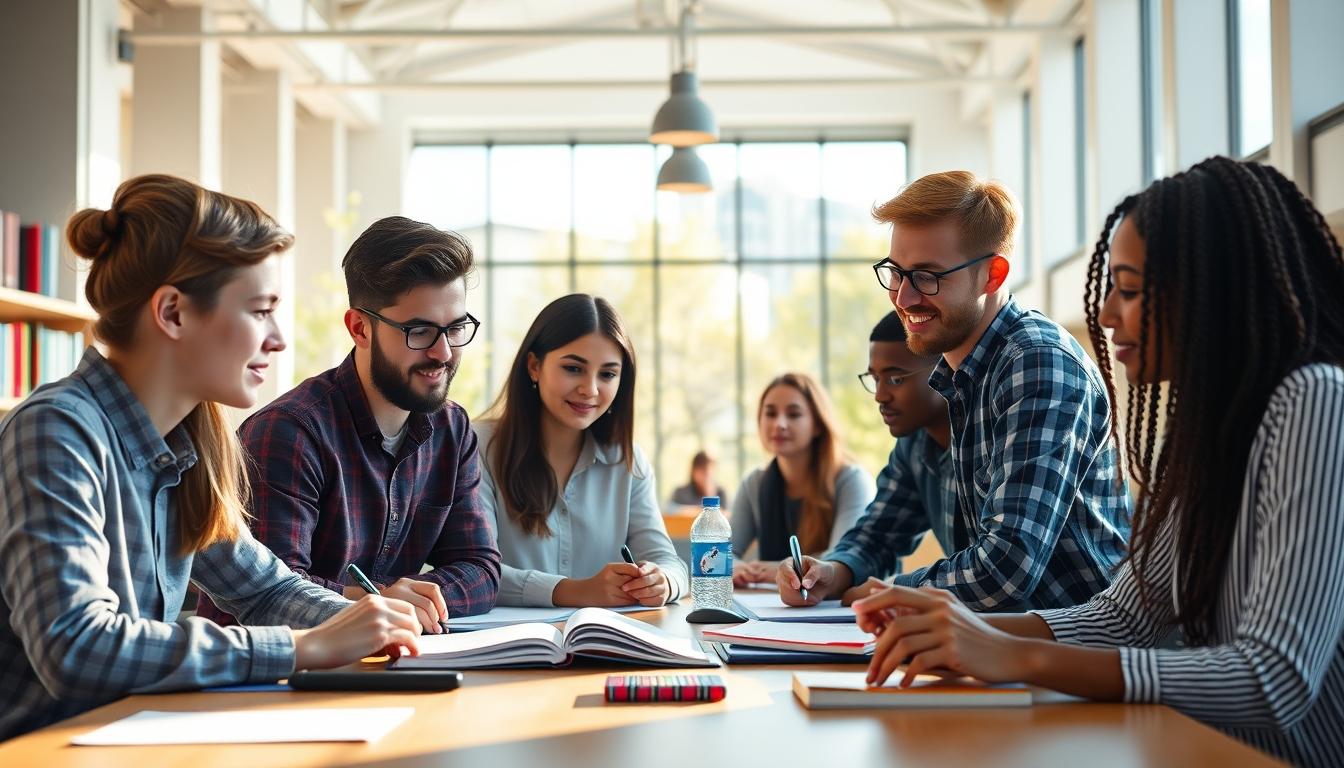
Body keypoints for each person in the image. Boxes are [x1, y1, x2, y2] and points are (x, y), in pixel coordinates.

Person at [854, 157, 1344, 767]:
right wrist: (962, 630)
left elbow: (1274, 677)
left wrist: (1013, 652)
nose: (1107, 314)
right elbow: (1127, 619)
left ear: (1210, 291)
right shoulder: (1204, 429)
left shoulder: (1313, 399)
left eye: (1130, 290)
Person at [0, 175, 422, 740]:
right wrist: (304, 647)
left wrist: (364, 623)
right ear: (173, 313)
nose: (278, 340)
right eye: (260, 311)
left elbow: (265, 589)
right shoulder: (57, 430)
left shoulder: (188, 442)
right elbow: (76, 646)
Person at [785, 170, 1130, 611]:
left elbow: (1005, 571)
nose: (904, 298)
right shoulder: (950, 379)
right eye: (896, 273)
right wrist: (832, 573)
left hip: (1073, 662)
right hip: (998, 655)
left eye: (927, 277)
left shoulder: (1037, 363)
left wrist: (889, 593)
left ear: (992, 275)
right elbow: (880, 532)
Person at [195, 216, 501, 633]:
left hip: (383, 661)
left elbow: (481, 569)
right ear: (360, 328)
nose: (443, 352)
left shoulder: (451, 429)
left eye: (455, 328)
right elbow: (272, 597)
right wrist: (376, 601)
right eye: (419, 331)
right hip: (278, 678)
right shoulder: (288, 432)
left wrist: (401, 601)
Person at [474, 294, 688, 608]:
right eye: (574, 368)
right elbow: (476, 573)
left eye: (608, 374)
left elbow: (668, 562)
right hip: (508, 648)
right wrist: (576, 591)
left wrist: (663, 582)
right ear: (534, 366)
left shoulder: (628, 462)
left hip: (603, 645)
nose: (590, 389)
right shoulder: (478, 446)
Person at [777, 312, 955, 605]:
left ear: (945, 371)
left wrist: (897, 589)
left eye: (895, 379)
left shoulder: (989, 429)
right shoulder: (913, 446)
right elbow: (877, 538)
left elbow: (1001, 566)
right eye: (875, 379)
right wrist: (831, 572)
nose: (880, 396)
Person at [730, 373, 875, 586]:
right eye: (770, 413)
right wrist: (735, 568)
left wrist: (779, 570)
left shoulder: (852, 480)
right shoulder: (754, 483)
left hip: (839, 608)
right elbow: (723, 554)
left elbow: (845, 559)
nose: (779, 424)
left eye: (793, 414)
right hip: (771, 608)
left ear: (817, 424)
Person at [665, 450, 729, 513]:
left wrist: (710, 493)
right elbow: (668, 510)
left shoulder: (720, 493)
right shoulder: (681, 492)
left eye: (709, 470)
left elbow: (727, 515)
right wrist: (695, 510)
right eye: (702, 469)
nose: (706, 474)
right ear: (693, 470)